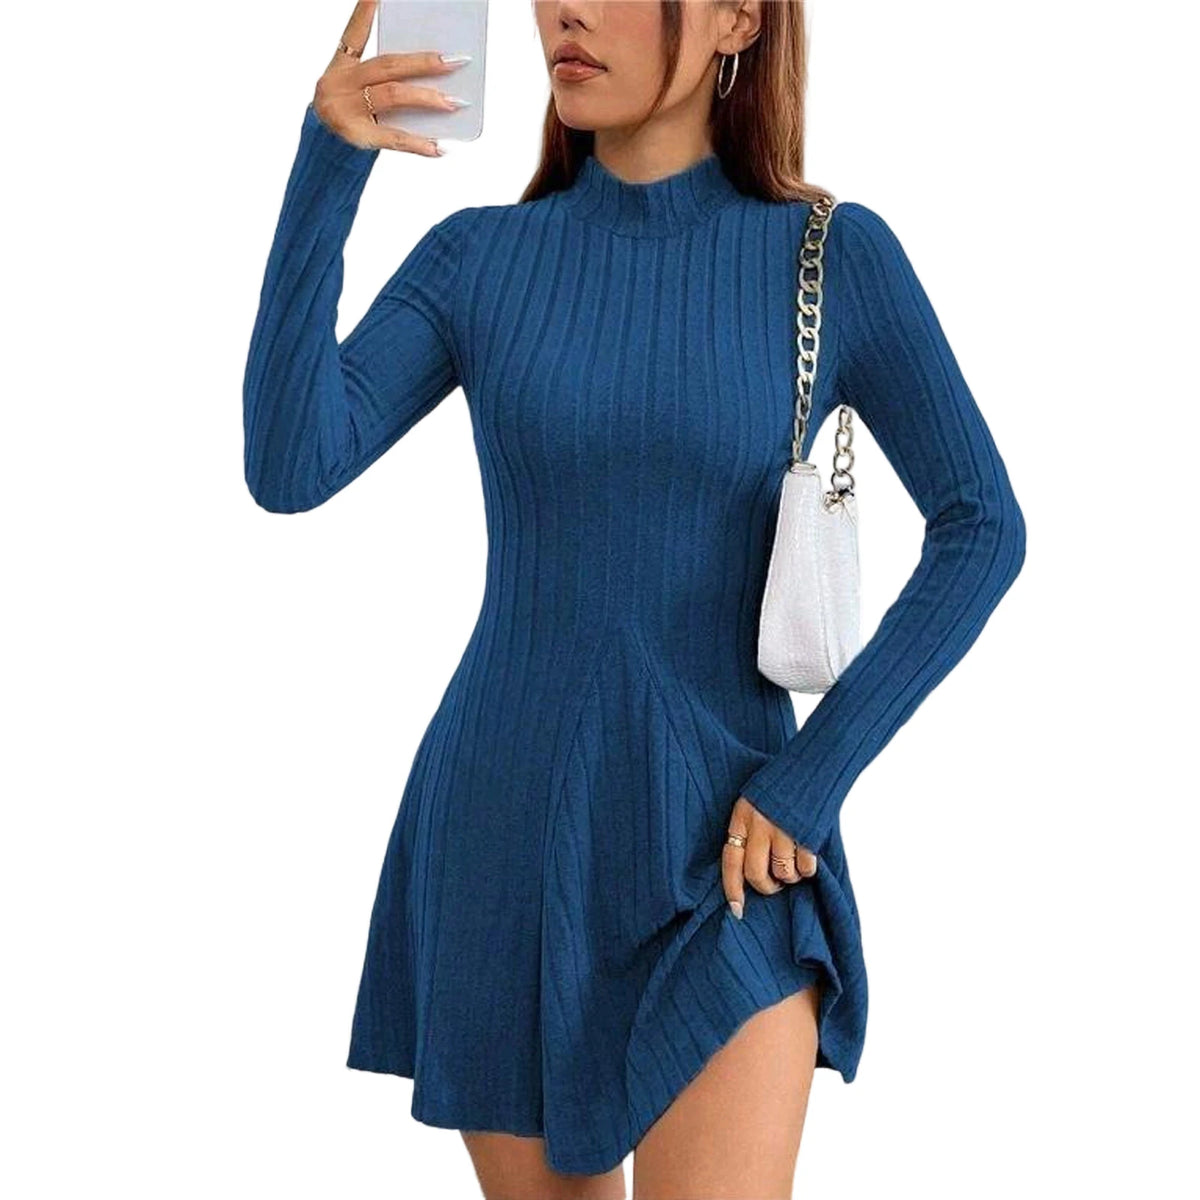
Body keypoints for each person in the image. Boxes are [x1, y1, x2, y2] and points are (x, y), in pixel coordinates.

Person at [242, 2, 1026, 1196]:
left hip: (732, 850)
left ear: (735, 19)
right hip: (504, 831)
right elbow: (292, 464)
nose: (568, 9)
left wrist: (812, 779)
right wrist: (330, 164)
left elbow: (983, 528)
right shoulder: (479, 260)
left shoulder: (832, 256)